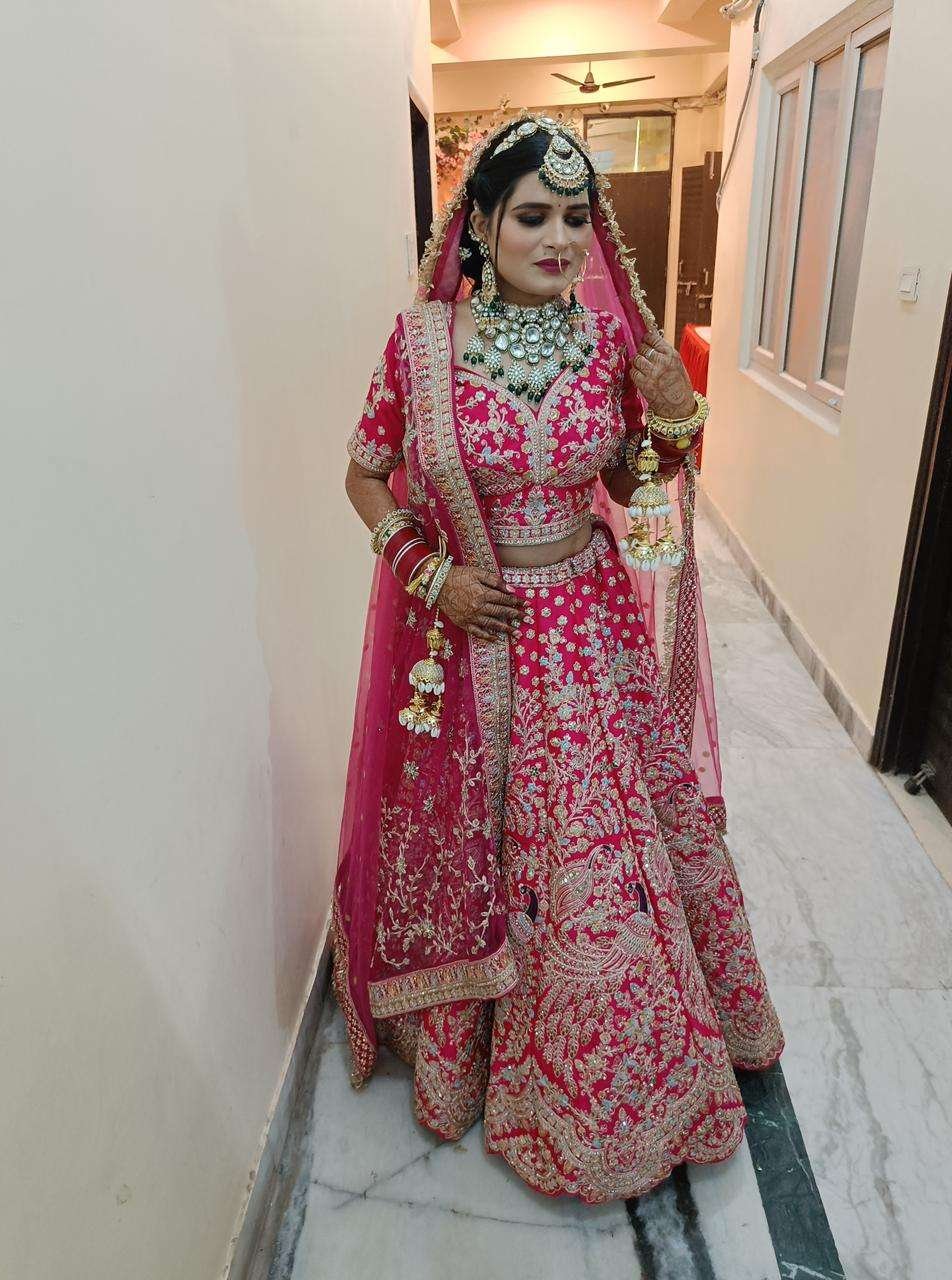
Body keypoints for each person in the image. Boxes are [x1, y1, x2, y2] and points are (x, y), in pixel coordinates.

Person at [330, 110, 784, 1204]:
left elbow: (635, 493)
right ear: (480, 224)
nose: (560, 239)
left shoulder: (604, 343)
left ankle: (618, 1070)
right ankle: (470, 1048)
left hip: (588, 631)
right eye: (533, 215)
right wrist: (432, 577)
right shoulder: (423, 344)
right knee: (483, 834)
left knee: (595, 853)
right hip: (475, 633)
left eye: (577, 218)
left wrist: (673, 423)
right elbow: (365, 473)